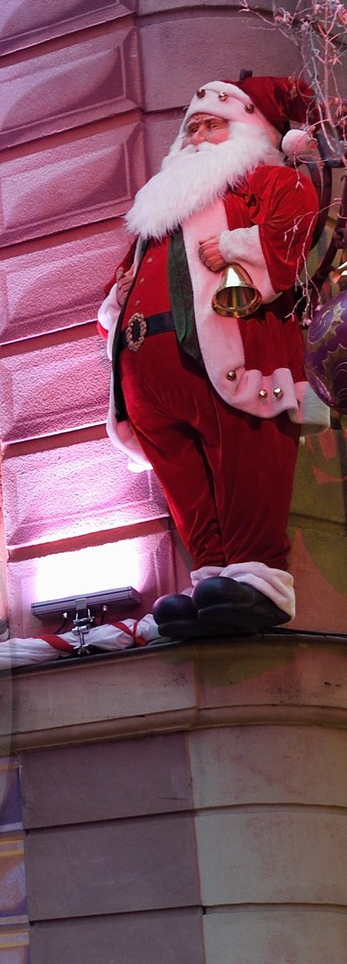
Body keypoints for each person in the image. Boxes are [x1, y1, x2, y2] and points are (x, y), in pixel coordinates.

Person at [99, 73, 320, 637]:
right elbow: (127, 279)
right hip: (151, 378)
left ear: (246, 131)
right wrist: (115, 302)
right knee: (187, 484)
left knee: (246, 460)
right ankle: (212, 575)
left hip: (229, 359)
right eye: (191, 128)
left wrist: (235, 245)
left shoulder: (263, 179)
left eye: (212, 126)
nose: (197, 137)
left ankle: (258, 581)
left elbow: (294, 223)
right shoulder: (162, 210)